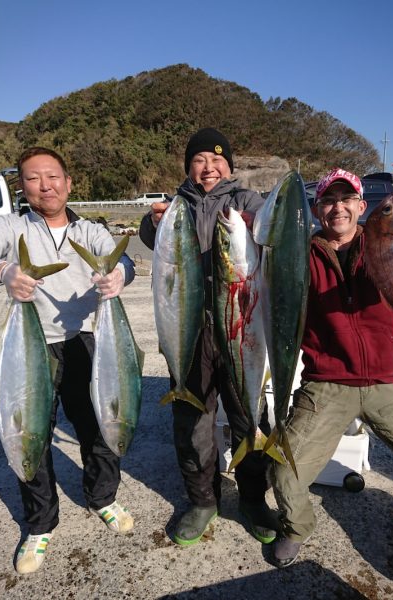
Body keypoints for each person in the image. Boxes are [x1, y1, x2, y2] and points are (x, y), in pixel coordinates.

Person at [269, 167, 393, 567]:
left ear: (363, 207)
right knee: (284, 474)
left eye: (347, 200)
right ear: (316, 210)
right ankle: (297, 527)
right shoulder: (299, 254)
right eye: (329, 200)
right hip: (326, 384)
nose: (339, 208)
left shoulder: (390, 240)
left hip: (386, 381)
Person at [0, 147, 136, 574]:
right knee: (29, 431)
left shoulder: (90, 232)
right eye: (33, 178)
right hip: (30, 347)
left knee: (99, 428)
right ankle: (39, 524)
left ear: (69, 183)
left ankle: (104, 498)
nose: (45, 185)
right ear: (23, 187)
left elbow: (122, 257)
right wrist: (4, 273)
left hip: (84, 341)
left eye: (52, 176)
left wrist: (119, 274)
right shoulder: (10, 226)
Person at [140, 127, 277, 546]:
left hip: (239, 328)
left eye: (217, 160)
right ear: (189, 167)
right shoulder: (177, 205)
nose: (209, 167)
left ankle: (253, 498)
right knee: (193, 422)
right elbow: (154, 242)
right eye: (199, 160)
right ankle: (202, 501)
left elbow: (275, 234)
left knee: (248, 414)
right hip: (190, 330)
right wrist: (152, 222)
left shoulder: (247, 202)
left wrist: (262, 225)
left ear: (229, 167)